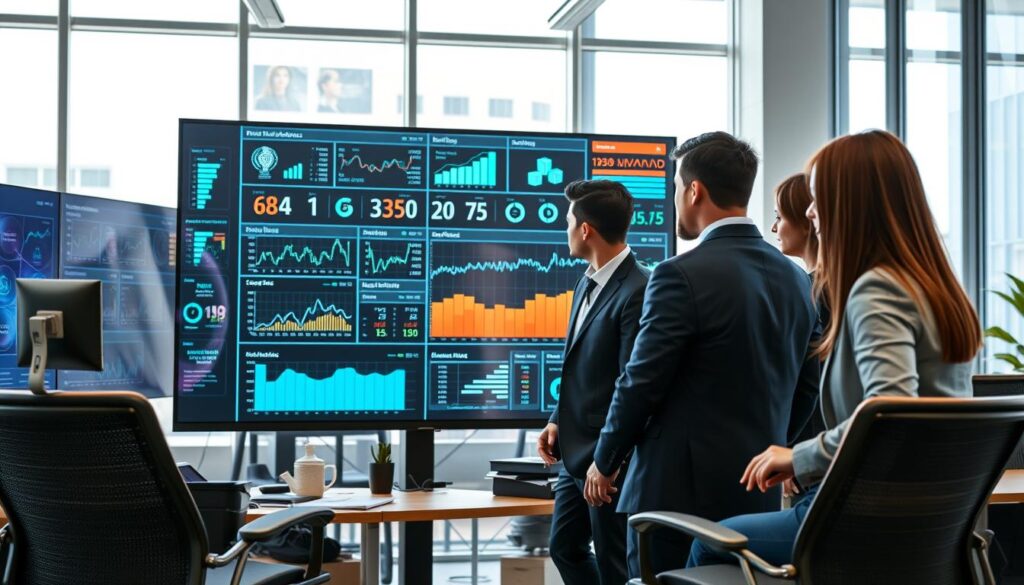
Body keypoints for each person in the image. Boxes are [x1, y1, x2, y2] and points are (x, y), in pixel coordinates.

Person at [687, 129, 982, 568]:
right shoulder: (935, 288)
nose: (809, 210)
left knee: (707, 544)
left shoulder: (877, 289)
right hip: (932, 523)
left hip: (864, 517)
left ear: (851, 202)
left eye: (817, 195)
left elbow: (889, 415)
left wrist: (798, 455)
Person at [585, 131, 819, 577]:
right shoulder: (797, 280)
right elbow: (809, 382)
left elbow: (641, 381)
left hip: (675, 502)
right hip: (757, 491)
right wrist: (775, 444)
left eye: (676, 186)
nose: (675, 199)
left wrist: (605, 458)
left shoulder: (678, 275)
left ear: (695, 191)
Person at [537, 179, 650, 585]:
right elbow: (579, 366)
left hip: (606, 461)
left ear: (585, 229)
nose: (565, 229)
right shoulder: (585, 282)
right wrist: (556, 418)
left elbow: (631, 382)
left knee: (615, 563)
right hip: (573, 452)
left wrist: (609, 461)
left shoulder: (639, 289)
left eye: (568, 221)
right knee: (565, 547)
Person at [770, 173, 829, 454]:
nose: (773, 228)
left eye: (779, 217)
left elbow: (808, 383)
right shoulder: (820, 286)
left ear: (807, 223)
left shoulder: (814, 292)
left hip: (814, 446)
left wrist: (793, 452)